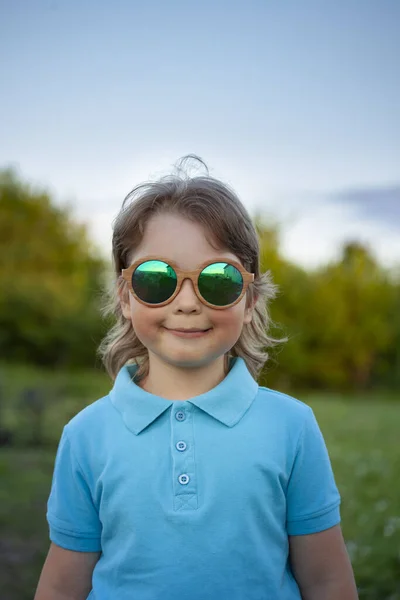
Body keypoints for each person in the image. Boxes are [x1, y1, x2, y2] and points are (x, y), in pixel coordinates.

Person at [35, 156, 358, 600]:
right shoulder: (86, 435)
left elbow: (327, 582)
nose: (187, 302)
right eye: (156, 278)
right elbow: (61, 586)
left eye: (217, 280)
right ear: (125, 297)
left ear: (250, 300)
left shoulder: (292, 427)